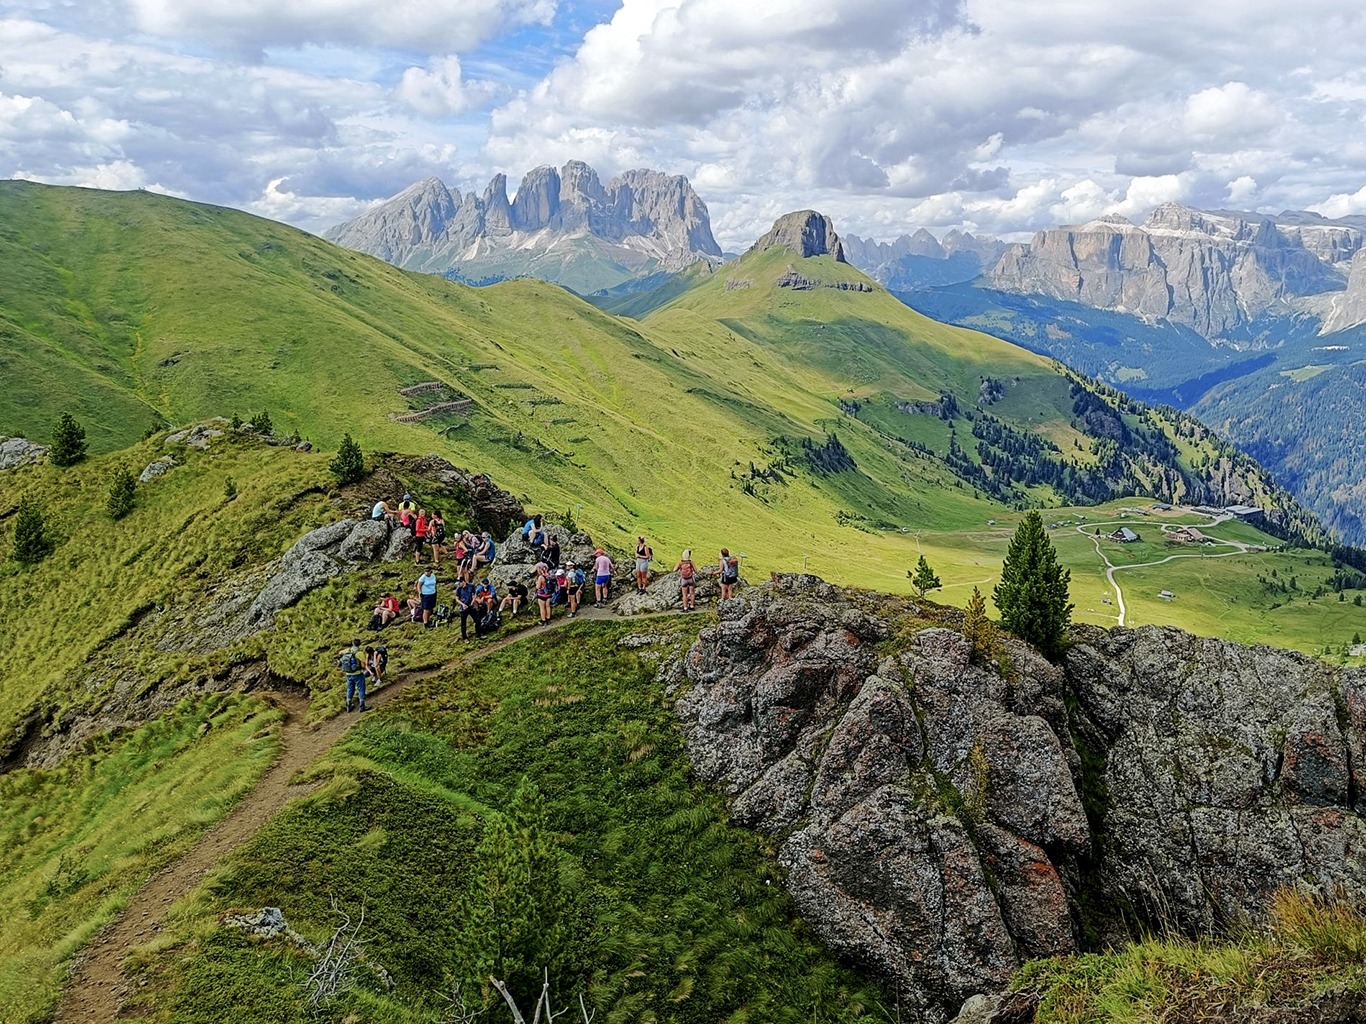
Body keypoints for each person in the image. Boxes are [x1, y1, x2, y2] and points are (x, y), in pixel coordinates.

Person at [338, 641, 368, 712]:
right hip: (358, 674)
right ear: (359, 644)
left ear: (352, 644)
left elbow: (340, 652)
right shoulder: (360, 653)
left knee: (350, 689)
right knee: (361, 688)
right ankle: (362, 705)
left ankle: (348, 704)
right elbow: (363, 665)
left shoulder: (347, 650)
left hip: (348, 674)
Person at [454, 576, 477, 641]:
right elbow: (457, 598)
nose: (459, 585)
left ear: (463, 582)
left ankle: (478, 634)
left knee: (477, 620)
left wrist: (473, 600)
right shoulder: (458, 589)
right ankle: (465, 638)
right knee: (463, 623)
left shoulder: (471, 586)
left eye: (459, 583)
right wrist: (463, 604)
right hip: (463, 607)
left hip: (471, 605)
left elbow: (475, 593)